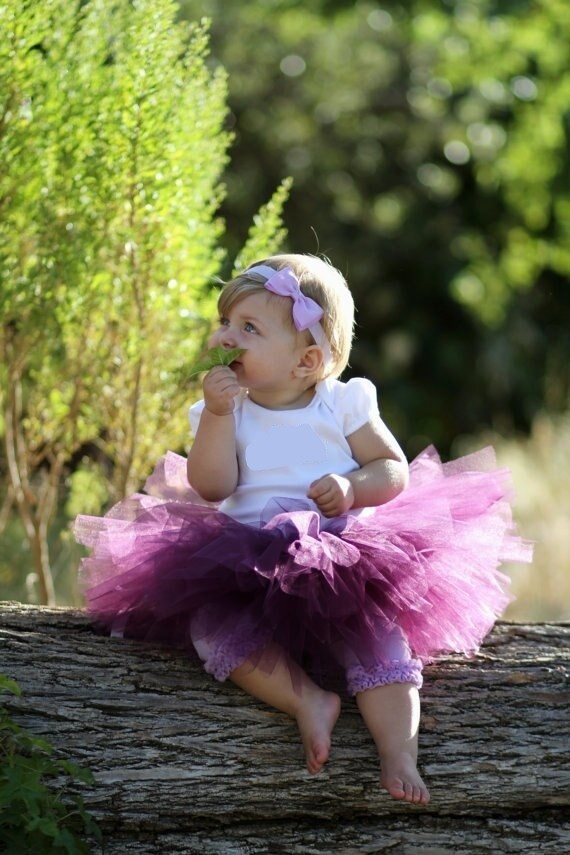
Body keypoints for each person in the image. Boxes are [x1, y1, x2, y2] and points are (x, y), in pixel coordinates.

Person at [75, 254, 532, 807]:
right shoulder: (224, 411)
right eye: (226, 323)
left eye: (249, 328)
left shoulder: (342, 403)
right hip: (247, 561)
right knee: (211, 629)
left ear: (307, 359)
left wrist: (352, 486)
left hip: (343, 553)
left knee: (381, 643)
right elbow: (212, 486)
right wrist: (217, 416)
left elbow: (393, 469)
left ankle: (398, 751)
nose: (227, 337)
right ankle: (307, 700)